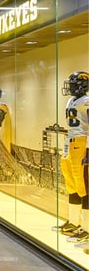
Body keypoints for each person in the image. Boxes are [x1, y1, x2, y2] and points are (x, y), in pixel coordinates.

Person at [55, 71, 89, 245]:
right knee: (71, 184)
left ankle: (87, 228)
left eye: (74, 83)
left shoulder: (86, 101)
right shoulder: (72, 100)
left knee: (83, 186)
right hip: (70, 142)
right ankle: (74, 222)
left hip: (82, 143)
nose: (70, 87)